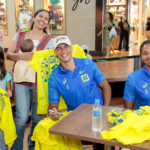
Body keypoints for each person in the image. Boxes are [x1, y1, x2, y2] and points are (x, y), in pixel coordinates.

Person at [48, 35, 111, 150]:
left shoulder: (88, 64)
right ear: (55, 52)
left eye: (66, 46)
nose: (63, 51)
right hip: (76, 121)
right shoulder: (54, 77)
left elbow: (106, 87)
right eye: (59, 48)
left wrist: (105, 111)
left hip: (97, 116)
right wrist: (53, 113)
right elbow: (53, 107)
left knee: (100, 145)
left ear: (71, 48)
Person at [6, 9, 54, 150]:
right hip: (21, 81)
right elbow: (8, 54)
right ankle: (17, 147)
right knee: (21, 118)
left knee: (37, 119)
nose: (43, 19)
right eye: (40, 16)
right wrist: (20, 56)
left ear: (47, 23)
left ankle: (33, 146)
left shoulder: (49, 40)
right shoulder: (20, 34)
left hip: (40, 84)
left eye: (46, 18)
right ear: (34, 17)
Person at [124, 40, 150, 109]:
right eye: (145, 53)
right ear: (141, 56)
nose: (149, 56)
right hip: (143, 119)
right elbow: (127, 111)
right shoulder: (133, 78)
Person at [0, 47, 13, 150]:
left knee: (2, 137)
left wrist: (9, 93)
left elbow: (9, 91)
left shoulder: (6, 75)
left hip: (2, 113)